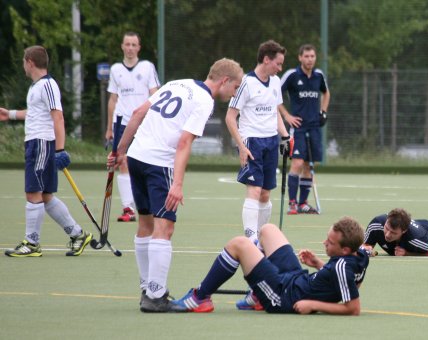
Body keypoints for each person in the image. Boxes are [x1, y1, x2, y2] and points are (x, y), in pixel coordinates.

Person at [111, 58, 244, 312]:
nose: (234, 93)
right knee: (165, 228)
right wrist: (178, 184)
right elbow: (184, 143)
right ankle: (155, 297)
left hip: (137, 156)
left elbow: (138, 112)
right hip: (159, 164)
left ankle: (147, 288)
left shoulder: (177, 83)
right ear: (224, 81)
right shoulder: (205, 101)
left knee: (145, 224)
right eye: (235, 88)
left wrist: (120, 150)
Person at [0, 45, 92, 257]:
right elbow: (34, 114)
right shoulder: (35, 87)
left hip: (41, 143)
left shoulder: (48, 85)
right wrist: (10, 114)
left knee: (33, 192)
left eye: (24, 62)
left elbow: (57, 116)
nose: (23, 65)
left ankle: (32, 243)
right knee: (46, 195)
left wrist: (60, 149)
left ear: (30, 62)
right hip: (36, 142)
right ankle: (78, 235)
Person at [173, 217, 369, 315]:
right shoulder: (361, 255)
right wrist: (318, 264)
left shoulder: (342, 266)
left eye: (330, 242)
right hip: (295, 279)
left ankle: (201, 297)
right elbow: (346, 283)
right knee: (268, 229)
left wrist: (313, 305)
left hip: (282, 296)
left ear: (345, 250)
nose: (324, 243)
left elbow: (353, 308)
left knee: (239, 245)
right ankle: (258, 296)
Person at [225, 40, 291, 245]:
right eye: (277, 64)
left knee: (265, 193)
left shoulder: (275, 82)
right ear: (266, 59)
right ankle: (250, 238)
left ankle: (262, 237)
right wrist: (241, 146)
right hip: (252, 141)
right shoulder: (245, 82)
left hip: (271, 141)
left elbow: (275, 112)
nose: (280, 68)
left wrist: (286, 136)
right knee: (253, 189)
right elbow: (230, 117)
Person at [106, 32, 160, 222]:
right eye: (127, 44)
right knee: (122, 161)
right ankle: (128, 208)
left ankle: (147, 203)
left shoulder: (147, 67)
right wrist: (109, 128)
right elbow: (113, 100)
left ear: (139, 47)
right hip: (121, 122)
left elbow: (155, 95)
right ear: (122, 46)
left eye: (133, 44)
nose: (130, 48)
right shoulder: (115, 69)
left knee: (144, 161)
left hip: (143, 122)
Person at [279, 44, 330, 214]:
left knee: (309, 165)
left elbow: (326, 93)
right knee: (298, 163)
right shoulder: (292, 75)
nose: (309, 59)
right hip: (298, 128)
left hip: (314, 126)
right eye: (306, 56)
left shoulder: (318, 76)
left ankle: (303, 203)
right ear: (300, 58)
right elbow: (275, 94)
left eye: (312, 56)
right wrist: (287, 116)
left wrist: (323, 112)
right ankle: (292, 203)